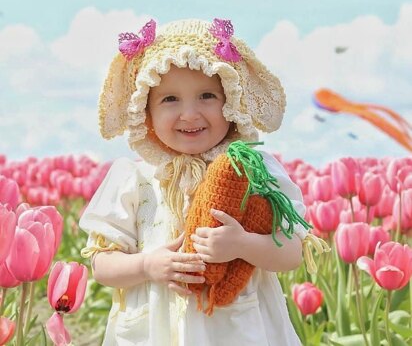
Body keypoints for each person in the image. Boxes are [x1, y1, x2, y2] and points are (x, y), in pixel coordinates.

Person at [79, 18, 319, 346]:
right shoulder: (134, 179)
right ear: (145, 112)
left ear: (232, 102)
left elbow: (291, 252)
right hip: (156, 332)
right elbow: (102, 265)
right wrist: (148, 265)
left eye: (207, 95)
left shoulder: (254, 170)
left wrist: (242, 244)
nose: (190, 113)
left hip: (237, 330)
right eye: (170, 99)